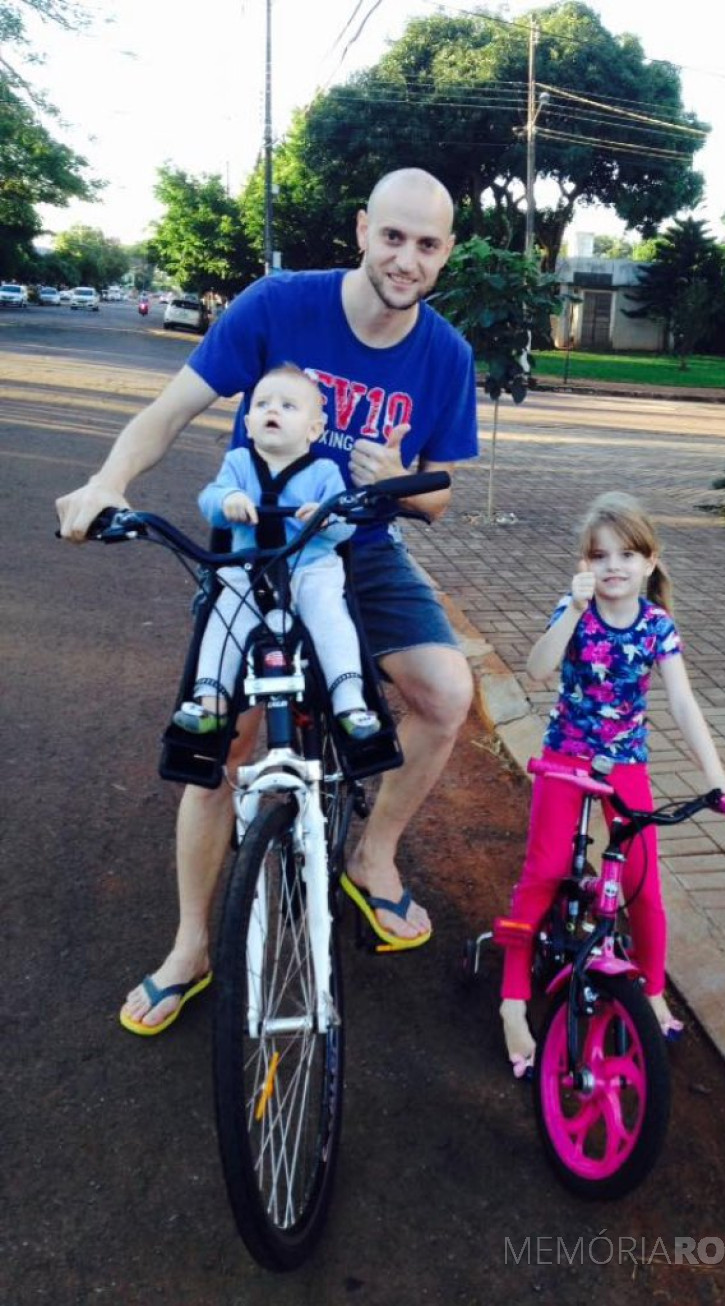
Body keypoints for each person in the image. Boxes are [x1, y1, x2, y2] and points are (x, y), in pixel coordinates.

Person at [56, 168, 479, 1034]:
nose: (406, 259)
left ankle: (372, 857)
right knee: (224, 738)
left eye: (427, 245)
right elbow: (171, 410)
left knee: (447, 695)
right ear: (363, 228)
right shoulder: (278, 304)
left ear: (445, 255)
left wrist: (401, 483)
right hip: (255, 548)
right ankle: (190, 947)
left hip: (359, 552)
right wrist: (106, 481)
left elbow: (438, 496)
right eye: (393, 236)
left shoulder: (446, 354)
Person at [497, 491, 725, 1078]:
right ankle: (514, 1003)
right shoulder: (575, 611)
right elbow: (538, 670)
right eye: (598, 555)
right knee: (542, 875)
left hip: (626, 765)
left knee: (641, 884)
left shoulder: (658, 626)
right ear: (584, 564)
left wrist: (718, 781)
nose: (613, 566)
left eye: (627, 555)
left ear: (650, 561)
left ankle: (654, 990)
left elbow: (683, 703)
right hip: (565, 757)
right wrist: (569, 612)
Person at [173, 362, 379, 742]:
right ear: (248, 423)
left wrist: (324, 517)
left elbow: (345, 525)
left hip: (311, 569)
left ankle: (349, 701)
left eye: (288, 406)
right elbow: (210, 499)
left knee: (331, 620)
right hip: (248, 570)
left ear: (314, 429)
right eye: (262, 403)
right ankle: (210, 702)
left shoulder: (324, 471)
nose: (272, 410)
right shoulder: (237, 464)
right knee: (224, 622)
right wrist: (229, 498)